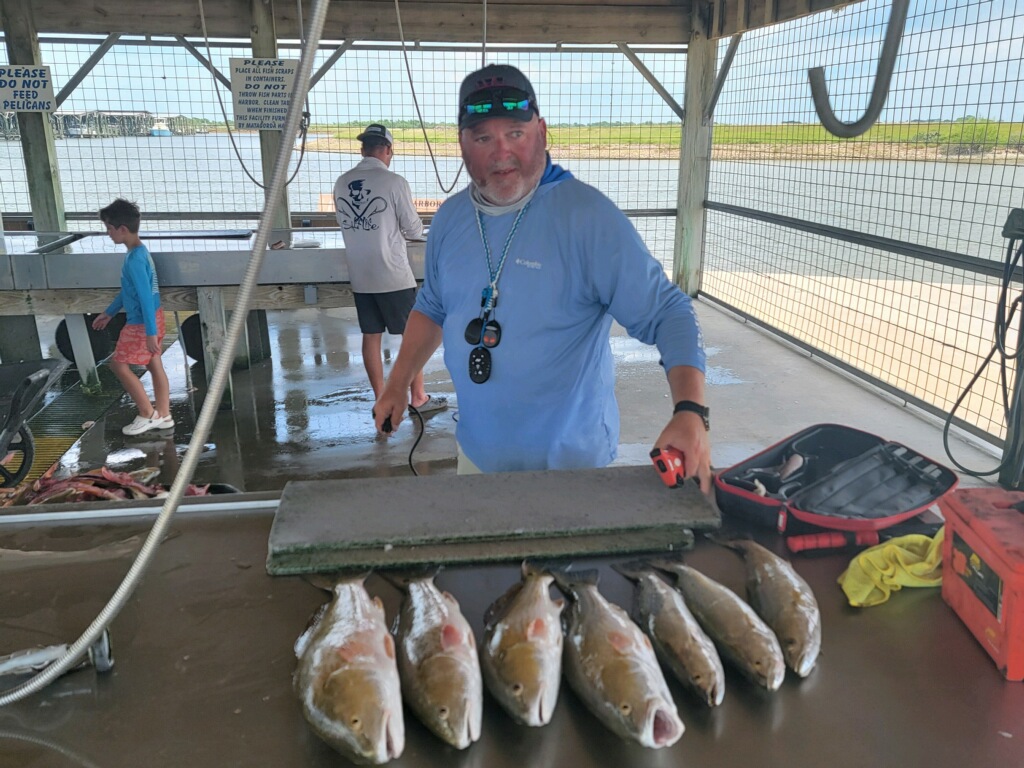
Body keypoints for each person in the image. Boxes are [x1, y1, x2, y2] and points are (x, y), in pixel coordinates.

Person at [372, 65, 712, 489]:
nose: (501, 153)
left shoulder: (588, 217)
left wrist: (690, 411)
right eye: (482, 138)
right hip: (477, 457)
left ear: (542, 132)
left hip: (571, 468)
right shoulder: (450, 218)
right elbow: (433, 306)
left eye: (515, 133)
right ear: (462, 145)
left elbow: (669, 311)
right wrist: (397, 383)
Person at [334, 123, 447, 414]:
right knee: (412, 337)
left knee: (370, 336)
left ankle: (381, 398)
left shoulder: (341, 182)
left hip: (360, 275)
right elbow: (413, 229)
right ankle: (418, 397)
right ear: (387, 150)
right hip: (392, 273)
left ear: (363, 150)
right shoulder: (394, 182)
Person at [92, 198, 174, 437]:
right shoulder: (140, 253)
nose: (108, 233)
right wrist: (109, 313)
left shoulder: (135, 259)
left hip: (141, 323)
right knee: (154, 364)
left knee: (118, 365)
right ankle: (164, 414)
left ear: (123, 229)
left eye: (109, 228)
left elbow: (145, 297)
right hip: (153, 318)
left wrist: (149, 333)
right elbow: (131, 292)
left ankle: (147, 413)